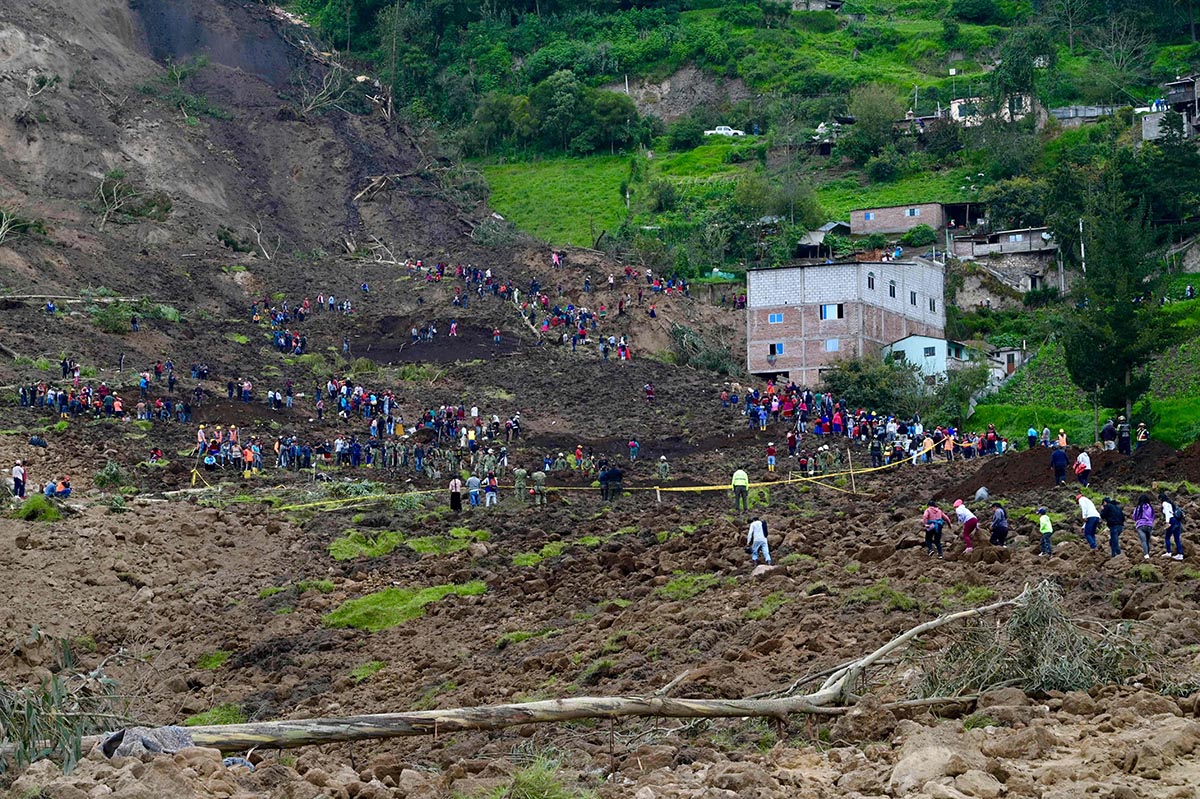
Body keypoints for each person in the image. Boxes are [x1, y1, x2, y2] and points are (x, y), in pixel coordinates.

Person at [1160, 491, 1184, 560]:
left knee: (1167, 537)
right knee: (1177, 539)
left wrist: (1167, 523)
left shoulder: (1164, 503)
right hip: (1177, 521)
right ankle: (1180, 554)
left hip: (1171, 521)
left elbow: (1167, 513)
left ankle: (1168, 552)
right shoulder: (1170, 504)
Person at [1132, 493, 1155, 561]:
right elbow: (1153, 516)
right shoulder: (1150, 507)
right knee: (1148, 541)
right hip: (1149, 525)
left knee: (1143, 541)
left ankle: (1146, 555)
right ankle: (1148, 553)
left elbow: (1134, 517)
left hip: (1140, 525)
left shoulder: (1138, 508)